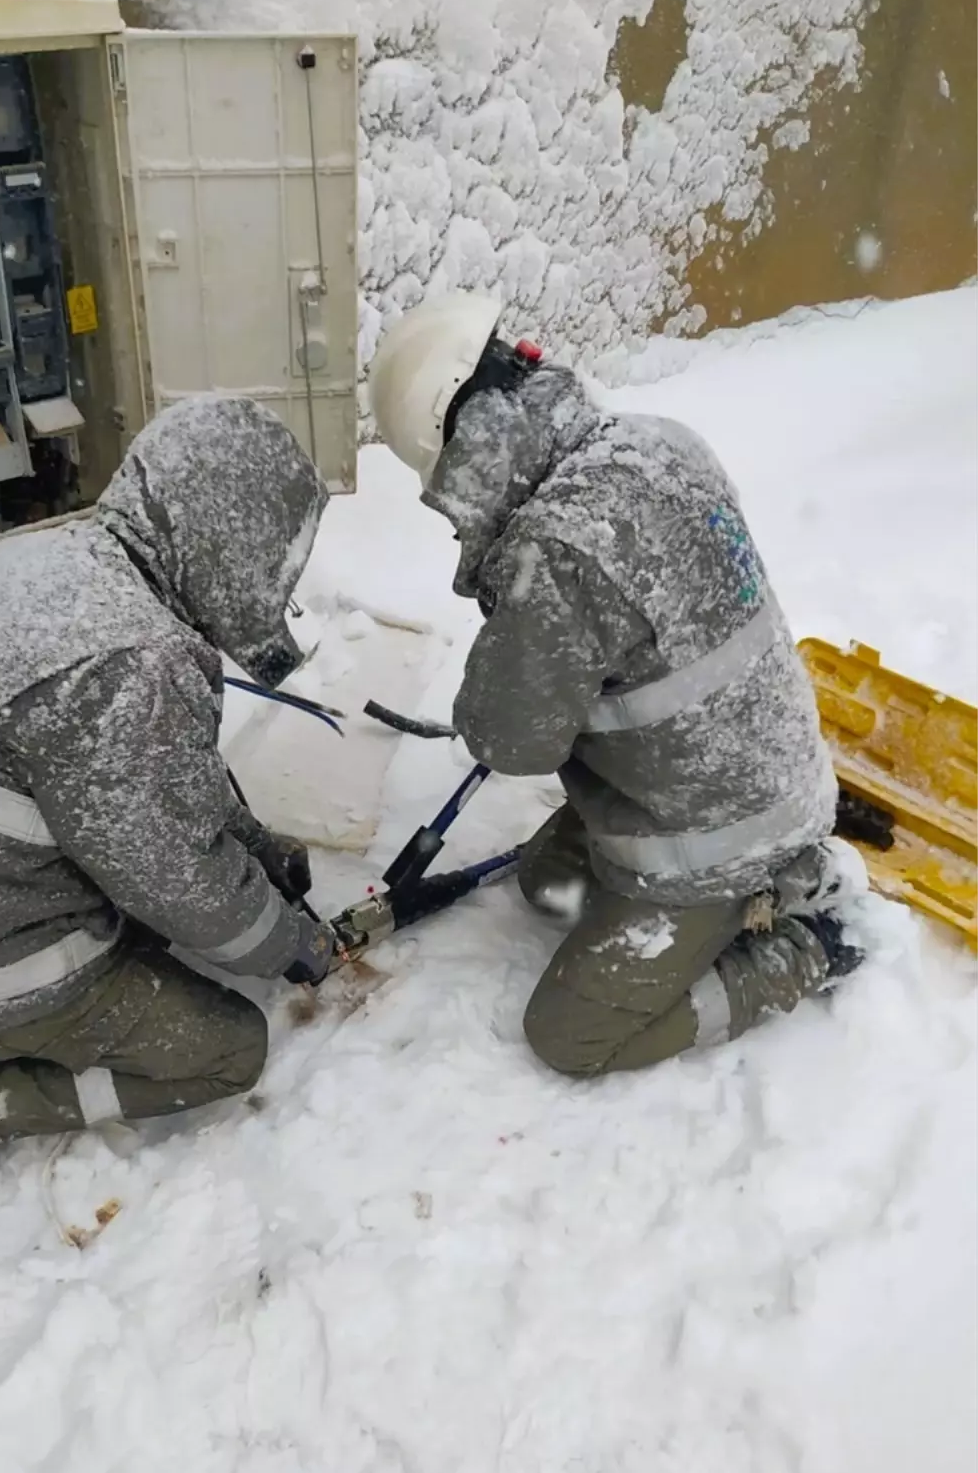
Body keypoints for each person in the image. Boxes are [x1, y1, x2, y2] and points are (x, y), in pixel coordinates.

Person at [0, 396, 336, 1211]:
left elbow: (160, 791)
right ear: (228, 541)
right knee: (225, 1050)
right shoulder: (129, 661)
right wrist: (288, 943)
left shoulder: (60, 572)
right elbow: (174, 875)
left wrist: (254, 850)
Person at [367, 292, 868, 1081]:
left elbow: (509, 738)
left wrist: (509, 628)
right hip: (763, 769)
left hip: (714, 839)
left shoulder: (556, 553)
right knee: (549, 883)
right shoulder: (656, 444)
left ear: (463, 453)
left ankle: (807, 945)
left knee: (569, 1037)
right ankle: (757, 882)